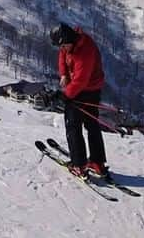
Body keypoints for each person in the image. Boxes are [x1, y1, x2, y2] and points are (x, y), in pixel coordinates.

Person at [50, 22, 108, 178]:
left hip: (86, 90)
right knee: (91, 124)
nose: (62, 49)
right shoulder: (70, 42)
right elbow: (63, 55)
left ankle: (79, 165)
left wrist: (65, 95)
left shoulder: (85, 51)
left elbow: (80, 81)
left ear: (69, 40)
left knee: (73, 126)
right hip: (88, 88)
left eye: (63, 46)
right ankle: (97, 161)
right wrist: (64, 74)